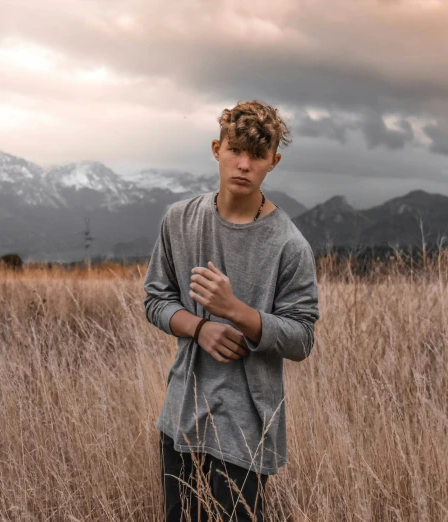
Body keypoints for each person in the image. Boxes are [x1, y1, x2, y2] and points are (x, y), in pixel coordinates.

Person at [143, 99, 321, 521]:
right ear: (216, 149)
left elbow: (302, 339)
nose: (244, 164)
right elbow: (155, 299)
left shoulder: (288, 245)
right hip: (181, 418)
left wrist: (236, 310)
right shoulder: (179, 220)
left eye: (257, 155)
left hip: (246, 433)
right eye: (235, 150)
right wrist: (199, 327)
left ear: (273, 161)